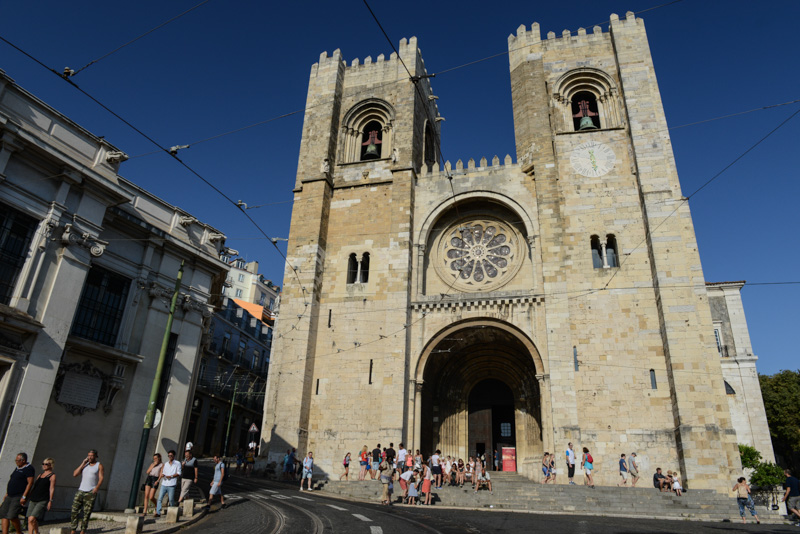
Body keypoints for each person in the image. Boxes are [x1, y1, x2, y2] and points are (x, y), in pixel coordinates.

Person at [70, 449, 104, 534]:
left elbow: (101, 478)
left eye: (92, 455)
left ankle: (83, 530)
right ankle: (73, 530)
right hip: (81, 490)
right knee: (74, 511)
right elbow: (75, 474)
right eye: (88, 455)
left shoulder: (99, 465)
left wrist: (97, 488)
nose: (90, 457)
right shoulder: (85, 465)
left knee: (86, 512)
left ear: (96, 456)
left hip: (90, 491)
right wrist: (83, 463)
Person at [1, 452, 34, 534]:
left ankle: (19, 532)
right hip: (10, 495)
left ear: (23, 460)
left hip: (18, 496)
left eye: (17, 460)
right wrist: (7, 493)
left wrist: (24, 496)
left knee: (12, 515)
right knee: (3, 514)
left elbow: (30, 483)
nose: (16, 462)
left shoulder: (29, 469)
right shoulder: (17, 468)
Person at [26, 457, 55, 534]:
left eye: (46, 464)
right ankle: (36, 532)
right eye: (43, 464)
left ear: (50, 465)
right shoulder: (40, 475)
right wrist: (29, 495)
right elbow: (35, 486)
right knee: (30, 519)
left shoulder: (52, 476)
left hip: (42, 499)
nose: (44, 465)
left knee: (32, 518)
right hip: (34, 498)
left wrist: (50, 500)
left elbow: (51, 488)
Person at [155, 450, 180, 517]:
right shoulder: (166, 464)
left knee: (171, 499)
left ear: (174, 456)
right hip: (164, 483)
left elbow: (179, 473)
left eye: (171, 456)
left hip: (172, 484)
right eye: (169, 456)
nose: (170, 457)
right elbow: (163, 472)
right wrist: (162, 476)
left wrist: (171, 476)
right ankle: (158, 512)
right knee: (160, 498)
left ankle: (172, 512)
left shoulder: (177, 463)